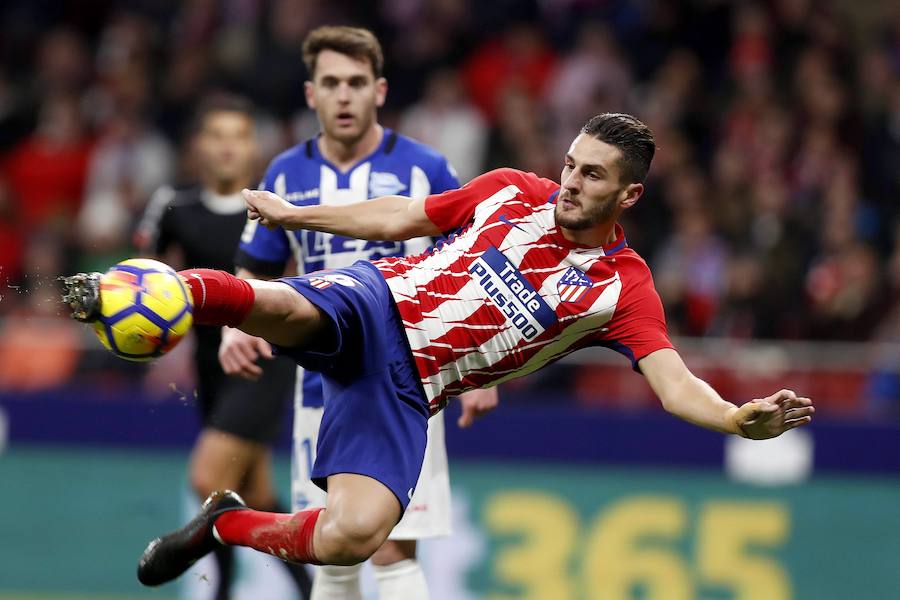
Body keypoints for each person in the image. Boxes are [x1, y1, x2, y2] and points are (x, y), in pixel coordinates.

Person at [63, 112, 814, 583]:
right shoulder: (512, 191)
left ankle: (222, 522)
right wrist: (299, 214)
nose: (570, 182)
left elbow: (675, 384)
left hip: (408, 388)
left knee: (354, 538)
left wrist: (735, 419)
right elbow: (402, 219)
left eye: (593, 176)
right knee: (275, 303)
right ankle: (142, 295)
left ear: (629, 196)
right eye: (571, 164)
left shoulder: (624, 289)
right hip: (376, 302)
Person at [220, 26, 497, 599]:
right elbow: (252, 267)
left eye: (355, 83)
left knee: (395, 542)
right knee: (333, 553)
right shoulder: (285, 175)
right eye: (330, 83)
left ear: (380, 90)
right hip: (320, 389)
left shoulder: (426, 168)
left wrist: (479, 367)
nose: (343, 96)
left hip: (411, 383)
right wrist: (232, 325)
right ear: (310, 95)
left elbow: (477, 269)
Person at [134, 93, 312, 600]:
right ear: (199, 146)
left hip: (264, 358)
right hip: (212, 365)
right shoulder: (173, 204)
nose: (228, 147)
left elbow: (302, 278)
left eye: (239, 135)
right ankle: (307, 587)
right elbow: (141, 279)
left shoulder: (274, 208)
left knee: (208, 478)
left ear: (254, 146)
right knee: (248, 495)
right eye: (217, 135)